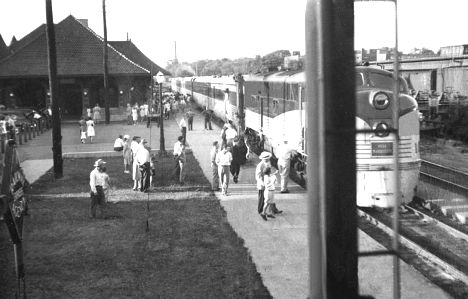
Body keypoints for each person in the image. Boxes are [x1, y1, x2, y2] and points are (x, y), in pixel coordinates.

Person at [256, 151, 272, 216]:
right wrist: (263, 184)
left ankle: (273, 210)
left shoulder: (268, 163)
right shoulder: (260, 165)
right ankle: (260, 211)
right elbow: (258, 176)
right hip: (262, 184)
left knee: (269, 197)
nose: (267, 159)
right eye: (266, 159)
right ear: (262, 159)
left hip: (267, 183)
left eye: (268, 158)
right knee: (262, 198)